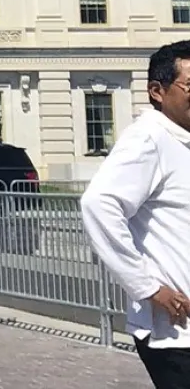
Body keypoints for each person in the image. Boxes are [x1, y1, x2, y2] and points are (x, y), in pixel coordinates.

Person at [80, 40, 190, 387]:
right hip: (175, 335)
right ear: (157, 91)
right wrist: (147, 287)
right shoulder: (148, 139)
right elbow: (98, 205)